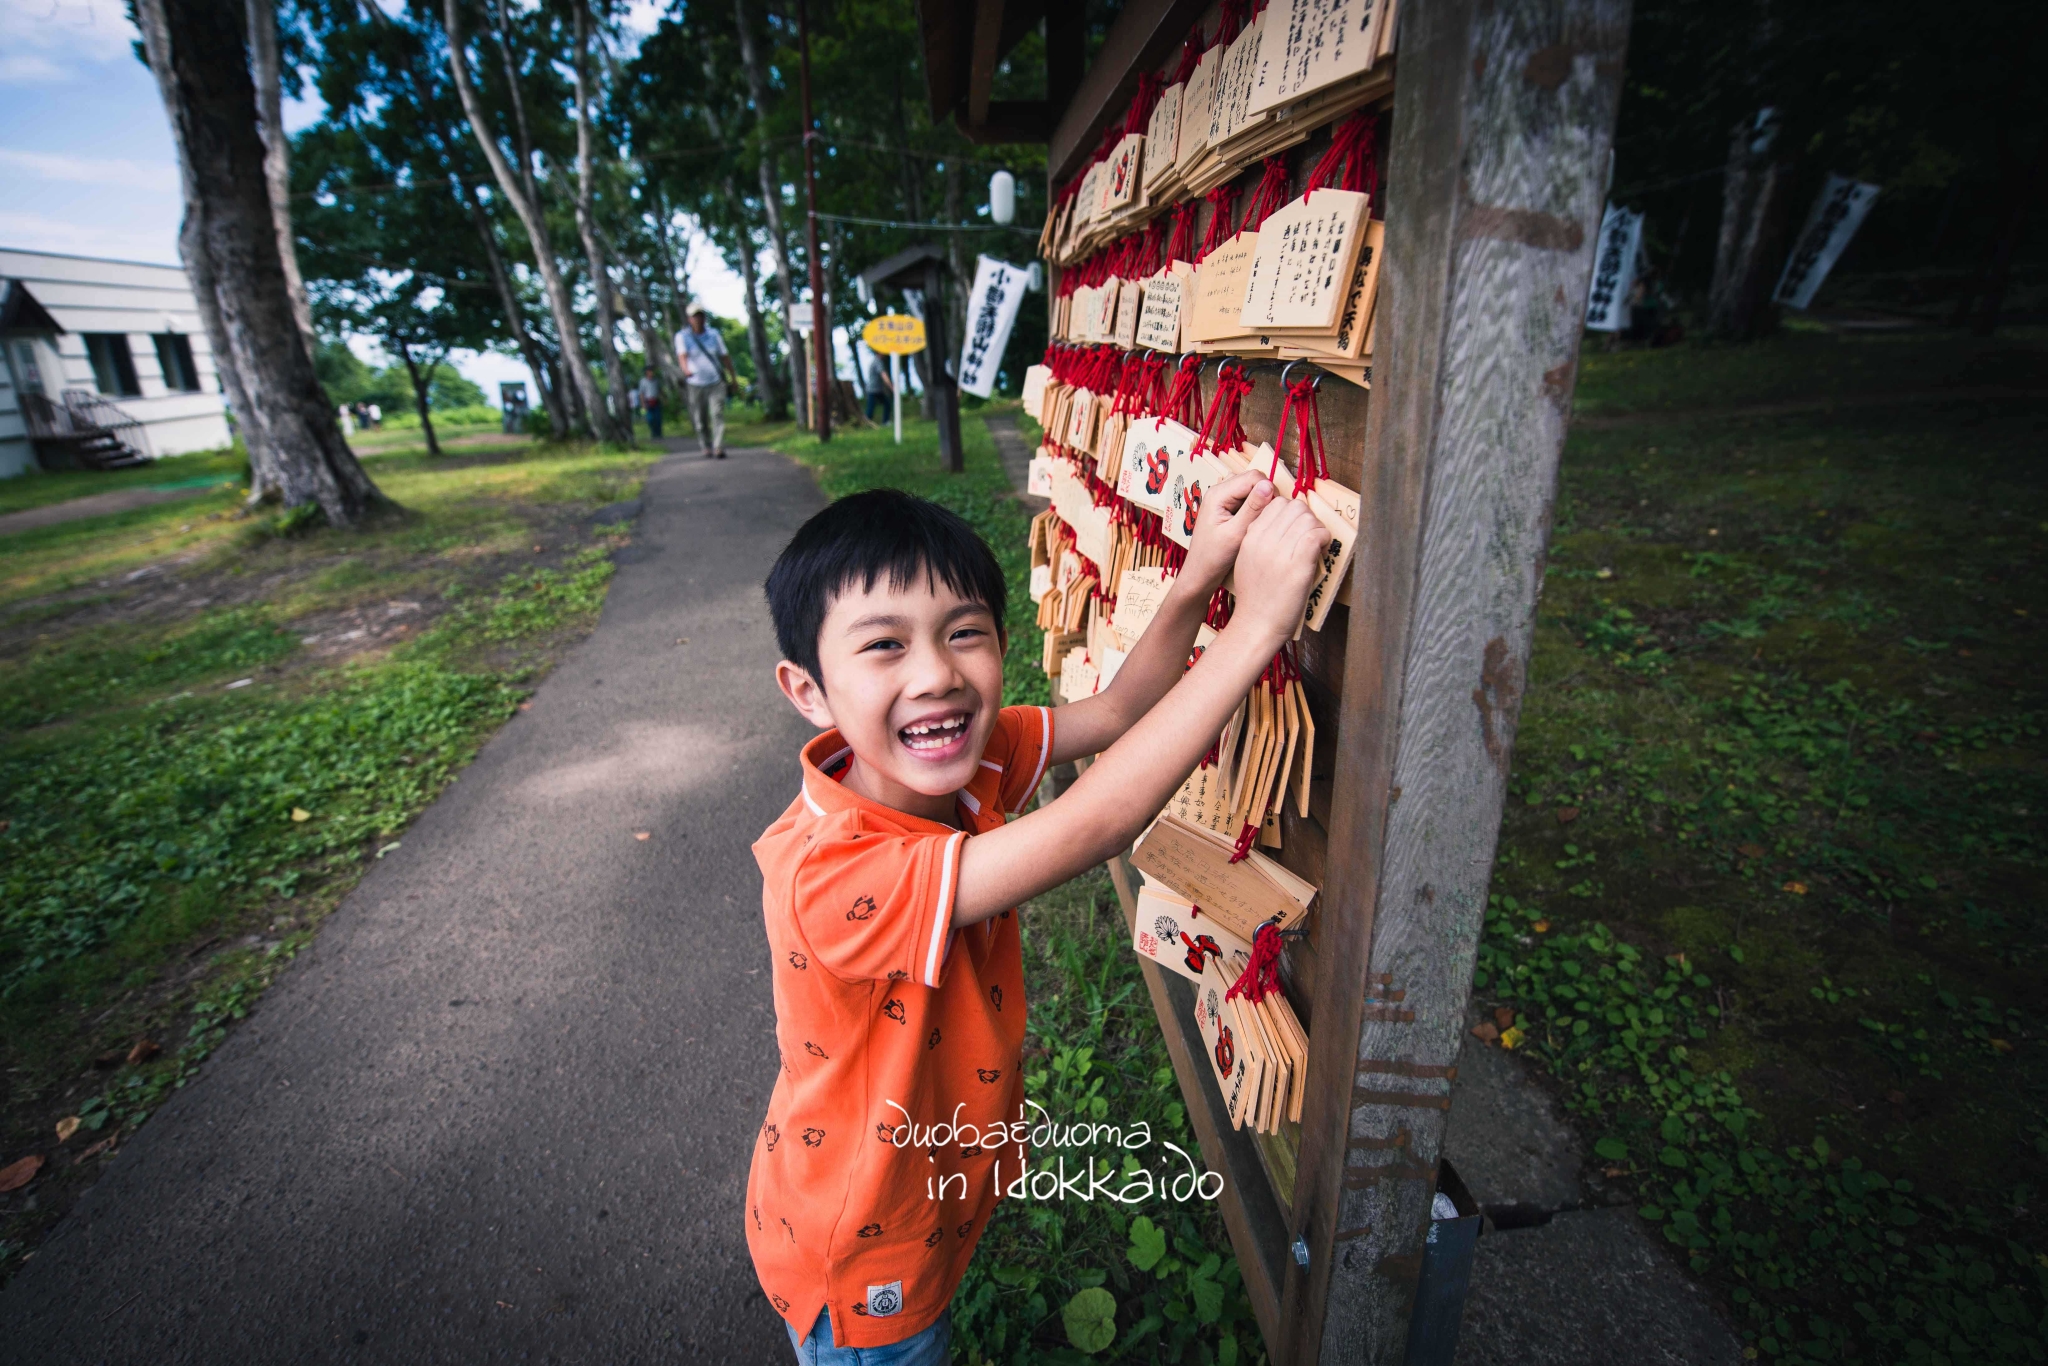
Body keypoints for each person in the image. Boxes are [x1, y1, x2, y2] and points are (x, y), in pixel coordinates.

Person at [749, 477, 1328, 1363]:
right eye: (883, 646)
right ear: (810, 691)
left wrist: (1198, 577)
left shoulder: (963, 758)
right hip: (864, 1247)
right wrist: (1253, 630)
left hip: (923, 1181)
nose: (936, 674)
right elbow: (1096, 822)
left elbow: (1117, 711)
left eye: (964, 633)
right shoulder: (832, 872)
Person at [677, 303, 738, 459]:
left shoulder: (714, 335)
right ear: (689, 319)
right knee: (700, 419)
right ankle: (705, 445)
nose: (698, 319)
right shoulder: (682, 336)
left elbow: (725, 357)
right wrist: (686, 370)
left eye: (700, 315)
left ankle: (718, 446)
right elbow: (682, 357)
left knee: (717, 414)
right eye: (695, 316)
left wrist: (733, 378)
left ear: (704, 317)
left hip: (716, 382)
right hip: (695, 383)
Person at [863, 350, 892, 423]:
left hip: (876, 389)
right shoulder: (878, 362)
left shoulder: (875, 361)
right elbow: (883, 375)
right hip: (873, 389)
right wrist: (891, 386)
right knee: (871, 409)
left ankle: (885, 421)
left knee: (886, 404)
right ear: (879, 352)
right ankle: (868, 422)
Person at [636, 365, 663, 439]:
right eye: (650, 371)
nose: (651, 372)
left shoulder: (656, 380)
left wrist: (663, 398)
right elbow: (641, 393)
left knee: (658, 418)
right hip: (648, 402)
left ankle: (659, 433)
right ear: (646, 372)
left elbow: (660, 390)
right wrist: (643, 403)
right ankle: (653, 433)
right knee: (650, 419)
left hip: (656, 401)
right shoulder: (643, 381)